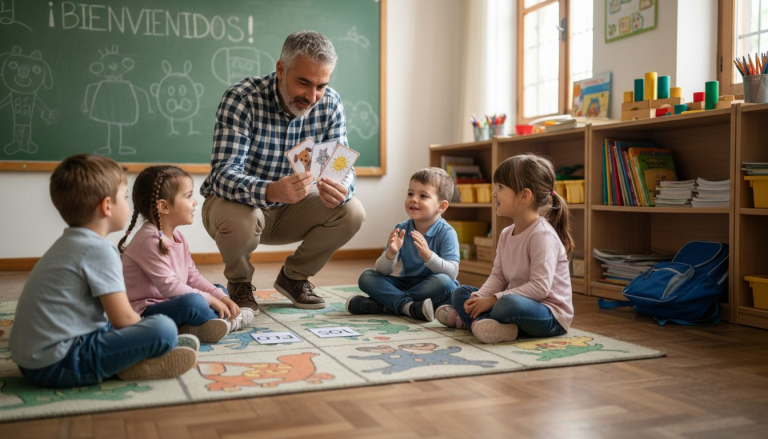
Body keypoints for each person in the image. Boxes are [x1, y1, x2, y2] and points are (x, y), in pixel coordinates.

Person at [200, 30, 365, 312]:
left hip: (292, 209)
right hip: (237, 207)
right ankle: (239, 283)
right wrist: (270, 190)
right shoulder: (242, 98)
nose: (312, 96)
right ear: (280, 69)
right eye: (304, 82)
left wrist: (343, 189)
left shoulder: (330, 103)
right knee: (242, 218)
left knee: (352, 211)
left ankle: (294, 278)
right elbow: (222, 175)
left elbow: (343, 167)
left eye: (321, 85)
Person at [9, 155, 197, 387]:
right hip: (59, 363)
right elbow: (123, 320)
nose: (129, 205)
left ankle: (131, 356)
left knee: (125, 323)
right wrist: (148, 336)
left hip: (34, 360)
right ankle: (134, 362)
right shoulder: (98, 251)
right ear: (107, 206)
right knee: (164, 329)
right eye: (125, 197)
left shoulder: (68, 243)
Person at [436, 155, 574, 343]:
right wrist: (480, 297)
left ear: (525, 196)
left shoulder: (542, 236)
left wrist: (493, 300)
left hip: (549, 315)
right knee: (461, 292)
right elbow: (498, 276)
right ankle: (481, 324)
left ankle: (468, 320)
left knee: (506, 305)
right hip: (511, 300)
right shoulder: (506, 233)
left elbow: (540, 288)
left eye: (500, 187)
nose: (494, 194)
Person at [119, 166, 255, 344]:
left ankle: (204, 324)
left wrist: (220, 298)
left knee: (219, 290)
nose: (195, 202)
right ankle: (226, 322)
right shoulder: (149, 240)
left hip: (170, 302)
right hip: (146, 313)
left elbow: (193, 277)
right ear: (164, 206)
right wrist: (210, 300)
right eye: (188, 196)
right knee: (194, 303)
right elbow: (170, 287)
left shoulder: (178, 237)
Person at [349, 168, 460, 322]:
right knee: (367, 277)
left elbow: (452, 273)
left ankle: (386, 305)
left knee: (446, 283)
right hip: (405, 284)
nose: (414, 199)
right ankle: (410, 306)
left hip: (432, 287)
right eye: (410, 193)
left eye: (423, 196)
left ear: (441, 206)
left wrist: (429, 257)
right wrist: (391, 254)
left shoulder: (447, 232)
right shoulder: (401, 228)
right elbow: (382, 270)